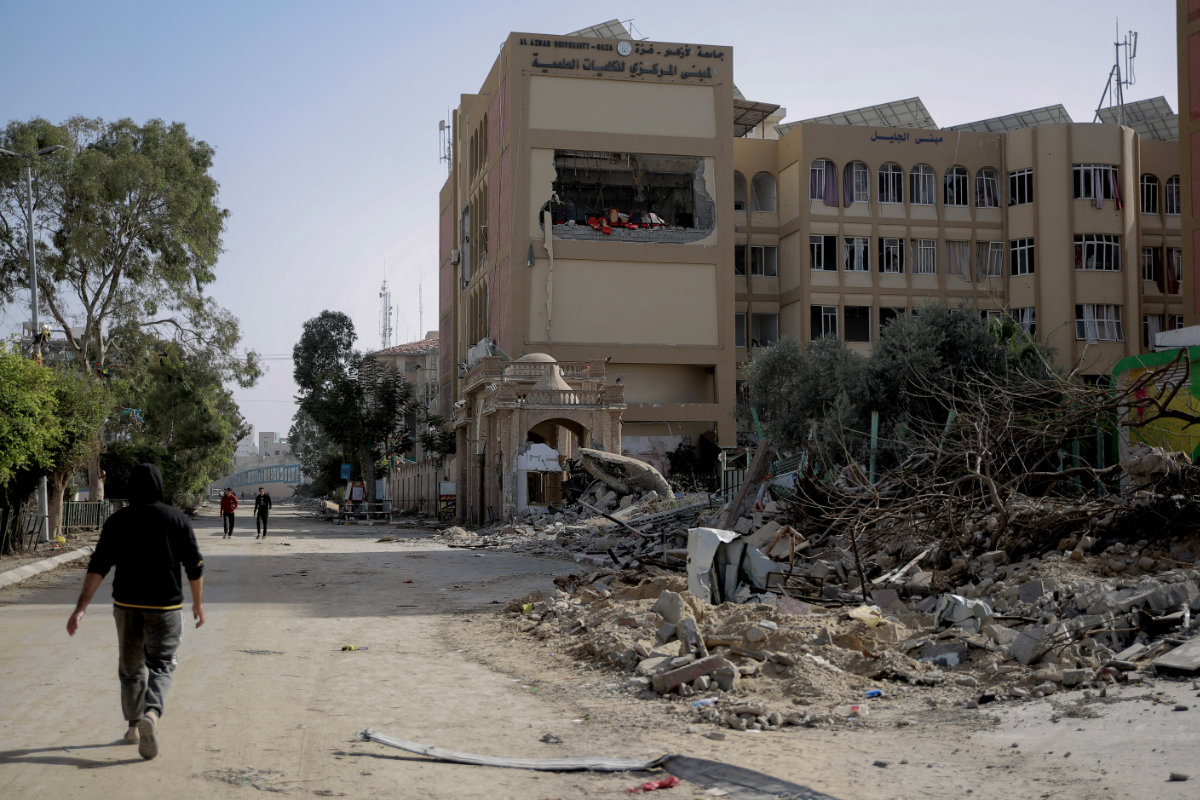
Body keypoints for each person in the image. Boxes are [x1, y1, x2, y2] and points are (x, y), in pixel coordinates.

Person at [66, 462, 205, 761]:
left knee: (130, 670)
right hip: (165, 606)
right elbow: (194, 565)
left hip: (127, 606)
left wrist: (81, 608)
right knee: (163, 665)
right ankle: (152, 715)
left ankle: (132, 728)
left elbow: (98, 566)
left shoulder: (118, 521)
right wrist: (198, 604)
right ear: (159, 486)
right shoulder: (176, 519)